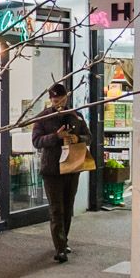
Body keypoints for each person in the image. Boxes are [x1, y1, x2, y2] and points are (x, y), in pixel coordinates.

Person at [32, 83, 87, 263]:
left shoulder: (76, 115)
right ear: (50, 100)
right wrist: (56, 136)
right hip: (52, 170)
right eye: (55, 101)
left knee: (67, 207)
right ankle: (60, 248)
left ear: (67, 98)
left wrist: (77, 138)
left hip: (72, 168)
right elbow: (36, 141)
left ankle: (64, 240)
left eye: (61, 100)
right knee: (56, 210)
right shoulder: (43, 117)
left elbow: (89, 137)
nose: (58, 104)